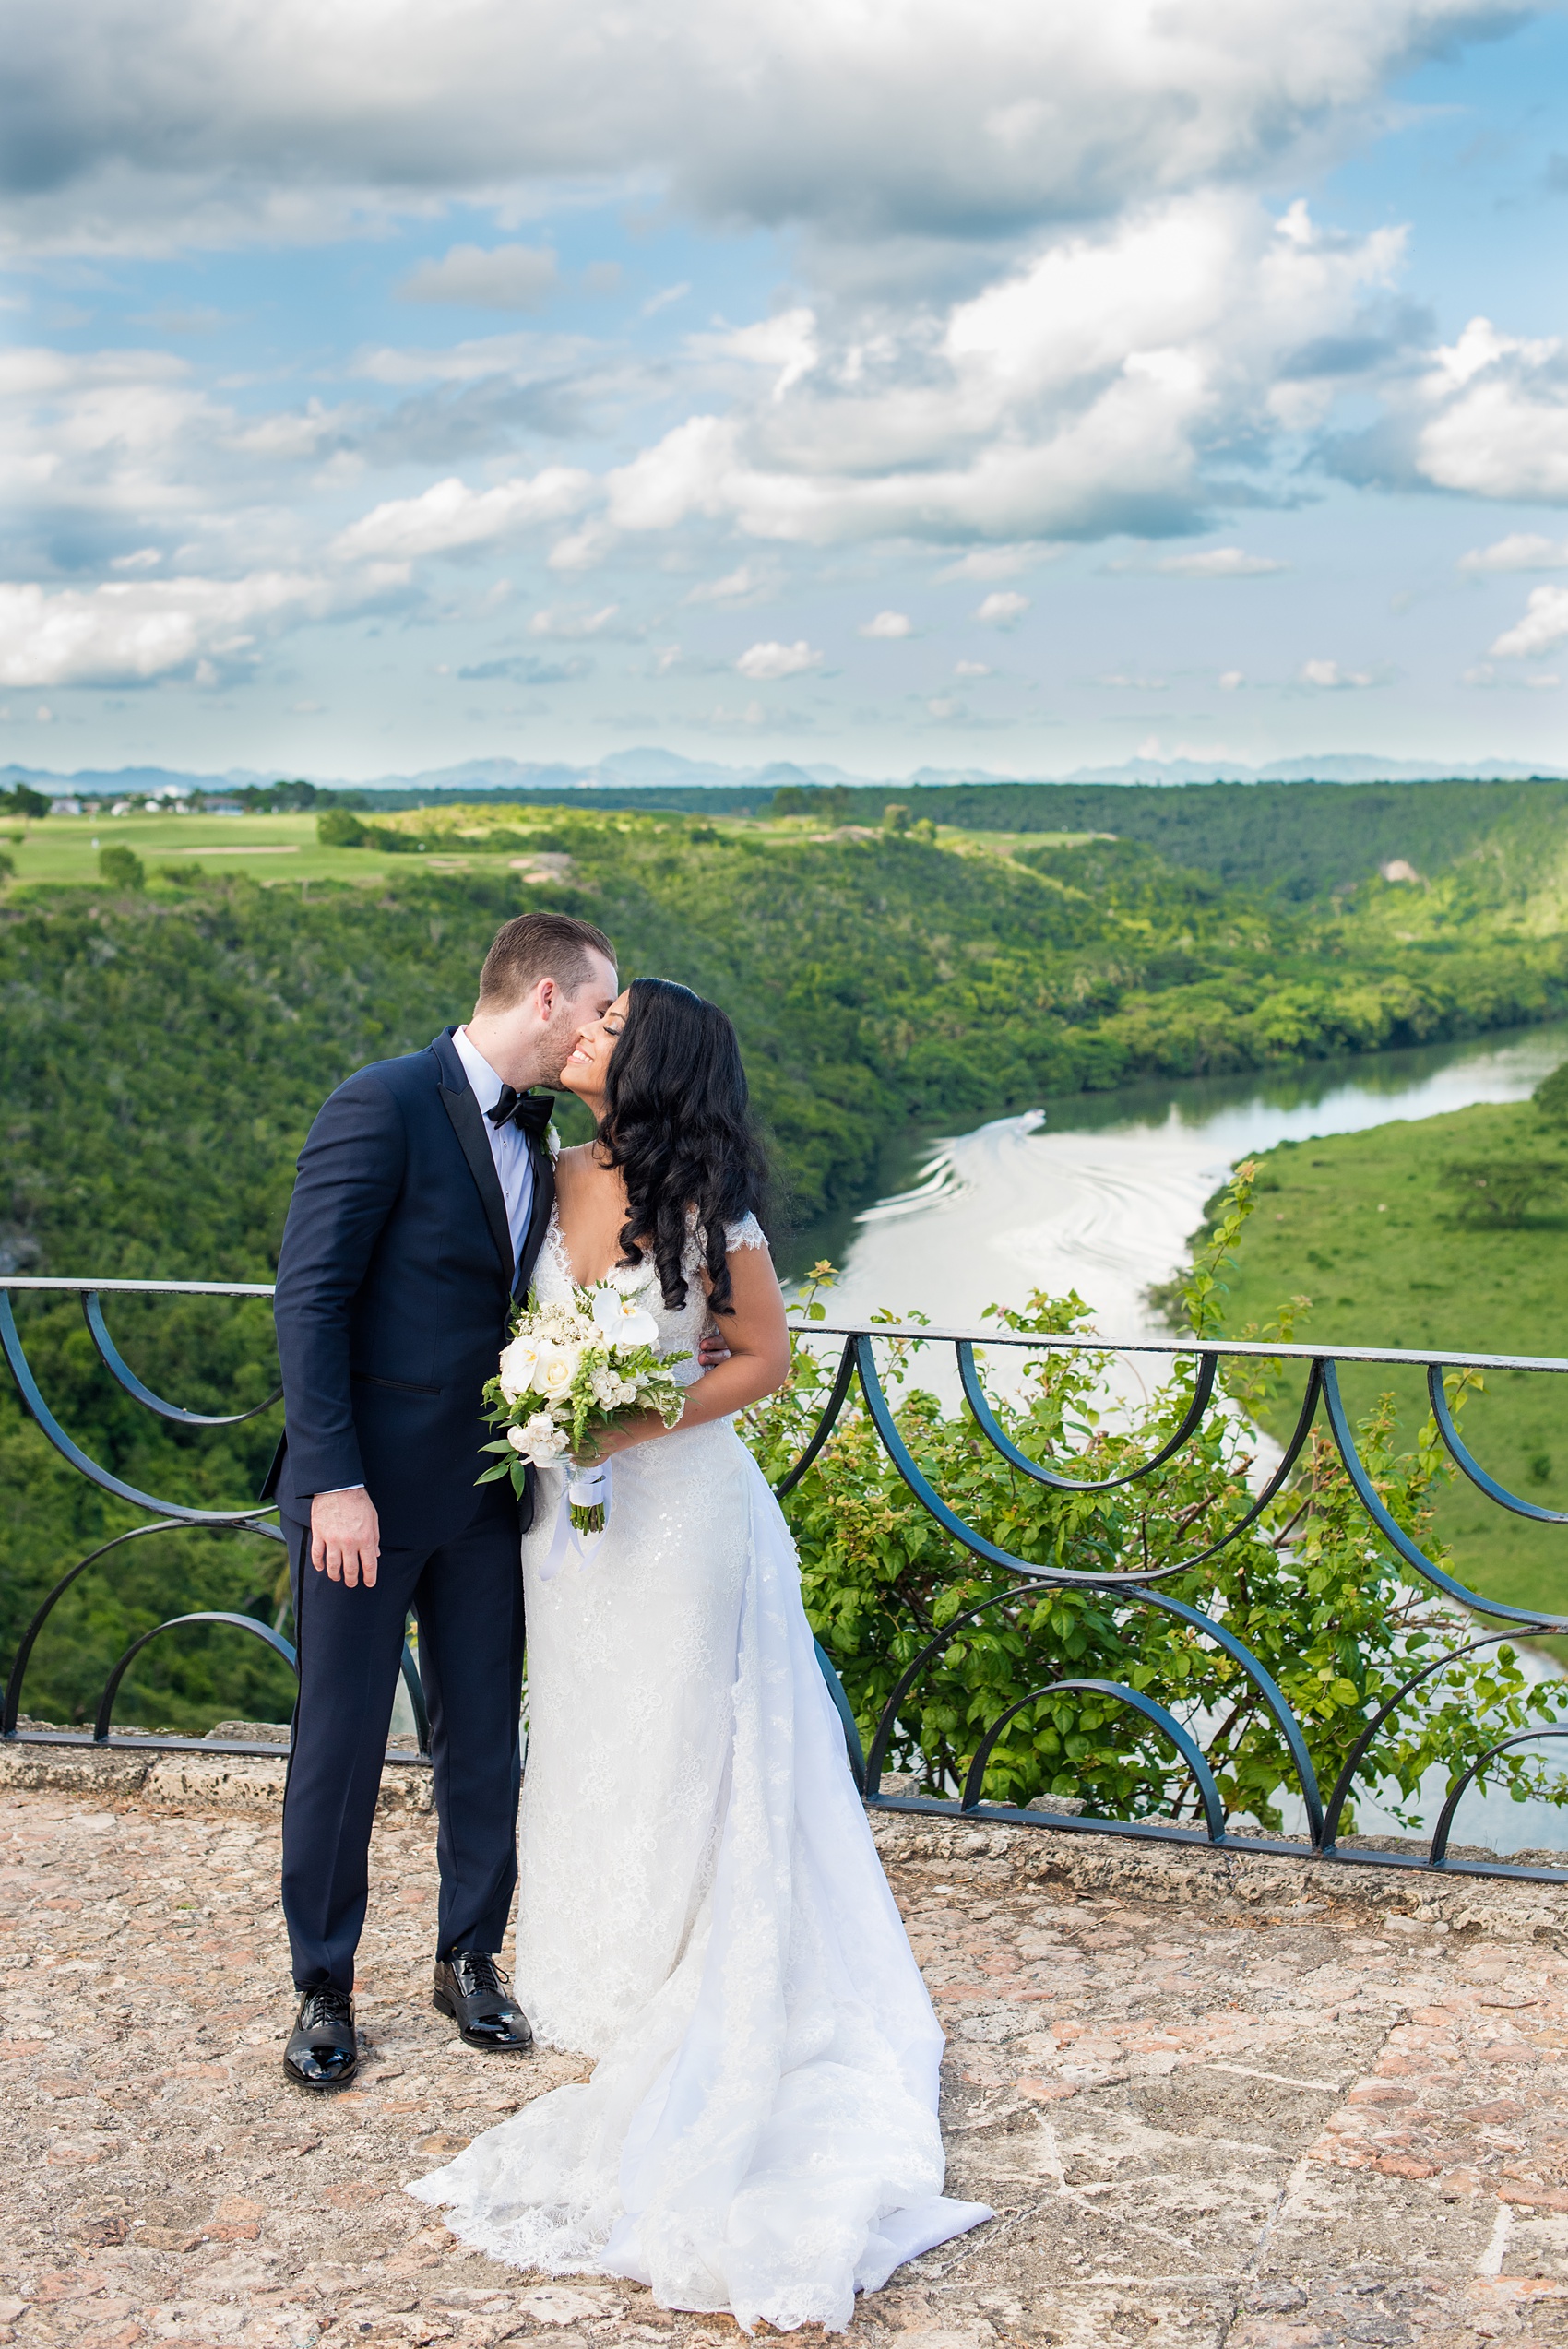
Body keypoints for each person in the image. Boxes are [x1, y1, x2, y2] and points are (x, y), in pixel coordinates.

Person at [409, 978, 991, 2333]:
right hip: (569, 1524)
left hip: (682, 1515)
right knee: (596, 1729)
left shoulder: (710, 1205)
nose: (584, 1035)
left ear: (653, 1060)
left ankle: (683, 1967)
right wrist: (553, 1415)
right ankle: (586, 1957)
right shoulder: (554, 1173)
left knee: (685, 1736)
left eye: (607, 1027)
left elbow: (764, 1360)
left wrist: (632, 1416)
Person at [267, 910, 628, 2090]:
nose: (602, 1028)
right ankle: (322, 1983)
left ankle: (470, 1956)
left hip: (490, 1494)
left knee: (484, 1741)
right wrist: (333, 1482)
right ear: (542, 999)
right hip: (363, 1499)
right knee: (340, 1743)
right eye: (597, 1008)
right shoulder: (380, 1102)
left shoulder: (545, 1136)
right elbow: (309, 1299)